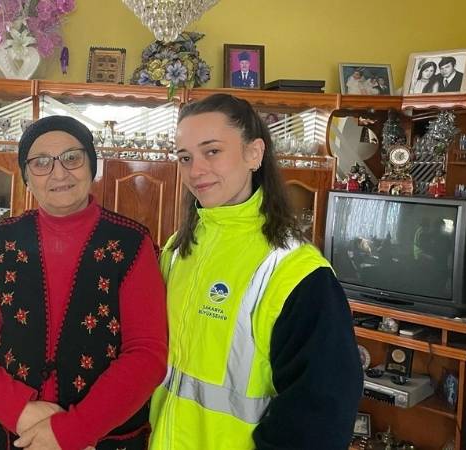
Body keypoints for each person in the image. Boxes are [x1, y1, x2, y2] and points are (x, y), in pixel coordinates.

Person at [148, 94, 363, 450]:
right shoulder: (176, 250)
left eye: (212, 151)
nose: (195, 170)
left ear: (254, 153)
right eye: (185, 157)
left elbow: (321, 414)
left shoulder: (297, 271)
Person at [0, 115, 168, 450]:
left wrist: (71, 431)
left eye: (72, 158)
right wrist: (21, 412)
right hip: (9, 435)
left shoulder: (131, 243)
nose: (59, 173)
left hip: (100, 439)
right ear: (25, 178)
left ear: (92, 166)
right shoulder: (0, 242)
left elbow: (147, 355)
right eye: (41, 163)